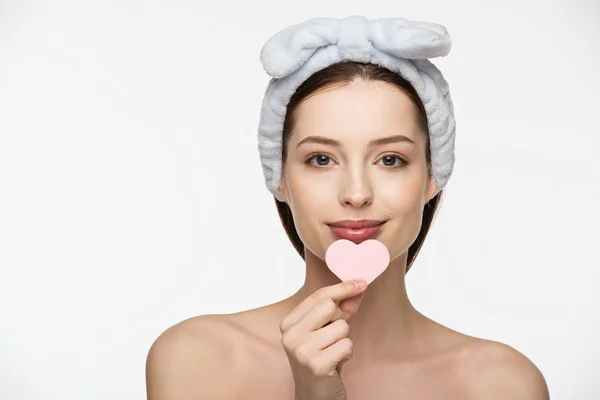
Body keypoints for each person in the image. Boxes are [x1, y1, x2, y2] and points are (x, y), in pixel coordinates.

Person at [145, 16, 549, 399]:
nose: (356, 194)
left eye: (390, 159)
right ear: (280, 177)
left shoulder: (502, 383)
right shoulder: (197, 359)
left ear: (432, 176)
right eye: (321, 159)